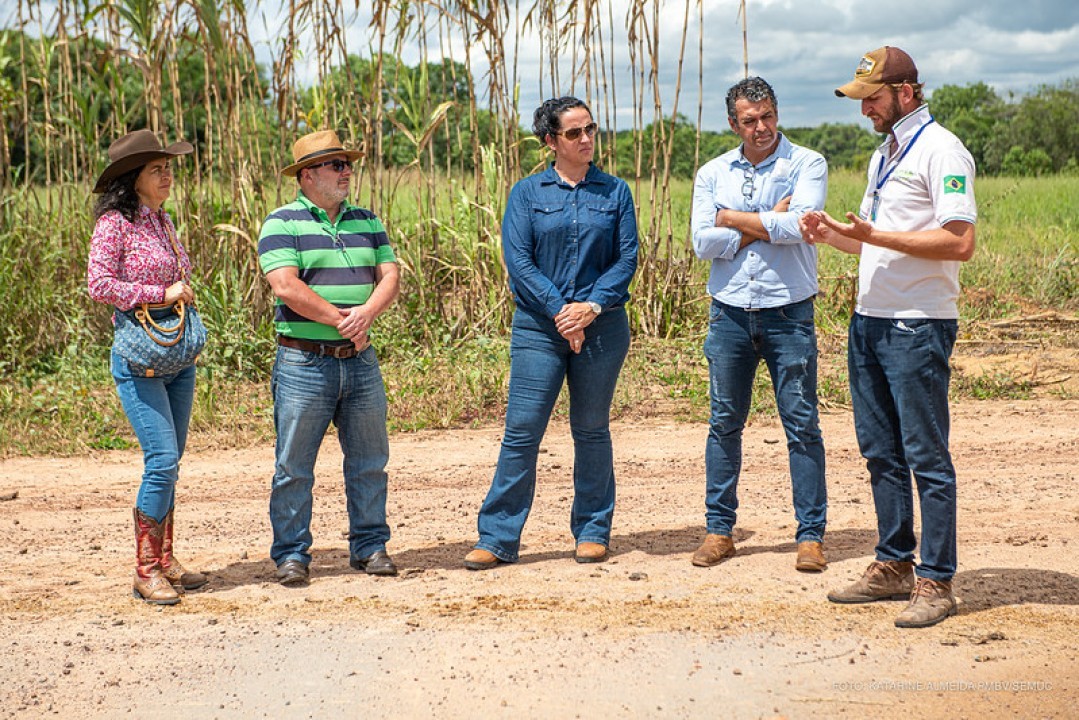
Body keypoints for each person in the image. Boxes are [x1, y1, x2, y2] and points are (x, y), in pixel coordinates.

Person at [800, 47, 976, 628]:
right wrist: (832, 235)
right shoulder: (885, 154)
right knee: (880, 452)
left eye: (872, 99)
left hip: (918, 321)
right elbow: (877, 239)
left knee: (926, 454)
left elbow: (958, 241)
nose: (864, 110)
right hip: (870, 318)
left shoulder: (942, 150)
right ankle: (895, 563)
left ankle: (936, 579)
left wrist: (882, 236)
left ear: (905, 91)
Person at [464, 97, 638, 570]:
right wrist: (563, 312)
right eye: (573, 133)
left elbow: (626, 260)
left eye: (590, 130)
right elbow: (518, 261)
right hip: (539, 329)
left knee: (591, 429)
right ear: (550, 141)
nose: (585, 140)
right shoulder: (526, 193)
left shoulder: (615, 192)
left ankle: (593, 530)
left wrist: (590, 307)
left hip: (602, 327)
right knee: (522, 432)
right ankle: (497, 537)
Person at [689, 77, 829, 573]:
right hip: (728, 311)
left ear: (777, 112)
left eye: (768, 115)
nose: (762, 127)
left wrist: (732, 221)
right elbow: (701, 243)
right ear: (734, 123)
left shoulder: (807, 163)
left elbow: (803, 227)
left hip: (788, 309)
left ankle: (810, 536)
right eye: (750, 120)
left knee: (801, 424)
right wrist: (770, 218)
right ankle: (719, 530)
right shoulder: (712, 172)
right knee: (724, 423)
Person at [257, 130, 400, 586]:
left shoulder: (368, 220)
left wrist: (366, 315)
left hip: (360, 360)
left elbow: (390, 276)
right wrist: (343, 321)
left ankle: (370, 546)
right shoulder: (281, 223)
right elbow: (285, 286)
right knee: (294, 465)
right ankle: (292, 553)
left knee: (370, 459)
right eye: (335, 164)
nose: (346, 171)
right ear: (307, 175)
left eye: (346, 163)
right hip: (304, 363)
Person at [88, 128, 207, 605]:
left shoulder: (163, 220)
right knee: (161, 462)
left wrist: (178, 285)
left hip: (175, 353)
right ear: (133, 177)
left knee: (171, 464)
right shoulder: (114, 225)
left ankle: (164, 558)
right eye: (157, 168)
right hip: (139, 357)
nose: (167, 175)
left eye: (169, 167)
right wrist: (161, 293)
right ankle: (145, 569)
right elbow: (99, 284)